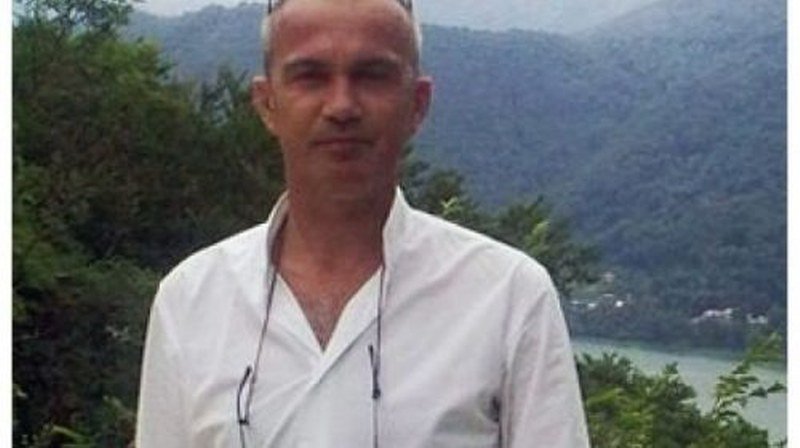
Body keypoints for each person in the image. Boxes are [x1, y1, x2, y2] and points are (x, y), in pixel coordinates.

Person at [135, 0, 589, 446]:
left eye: (371, 76)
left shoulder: (507, 296)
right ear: (267, 103)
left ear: (417, 103)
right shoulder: (191, 300)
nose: (341, 106)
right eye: (310, 76)